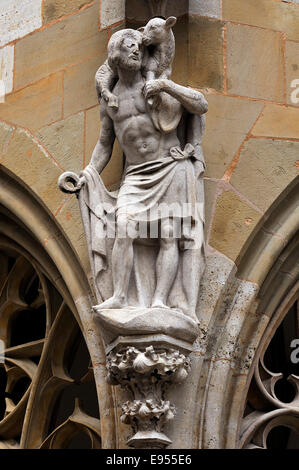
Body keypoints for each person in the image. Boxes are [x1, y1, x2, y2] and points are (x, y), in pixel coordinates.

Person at [81, 28, 208, 320]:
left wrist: (166, 87)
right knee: (124, 227)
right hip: (136, 176)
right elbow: (104, 143)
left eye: (139, 46)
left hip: (170, 167)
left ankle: (161, 301)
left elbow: (201, 105)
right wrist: (88, 173)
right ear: (115, 54)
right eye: (129, 47)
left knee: (168, 236)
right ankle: (120, 296)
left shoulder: (156, 87)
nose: (137, 51)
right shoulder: (109, 101)